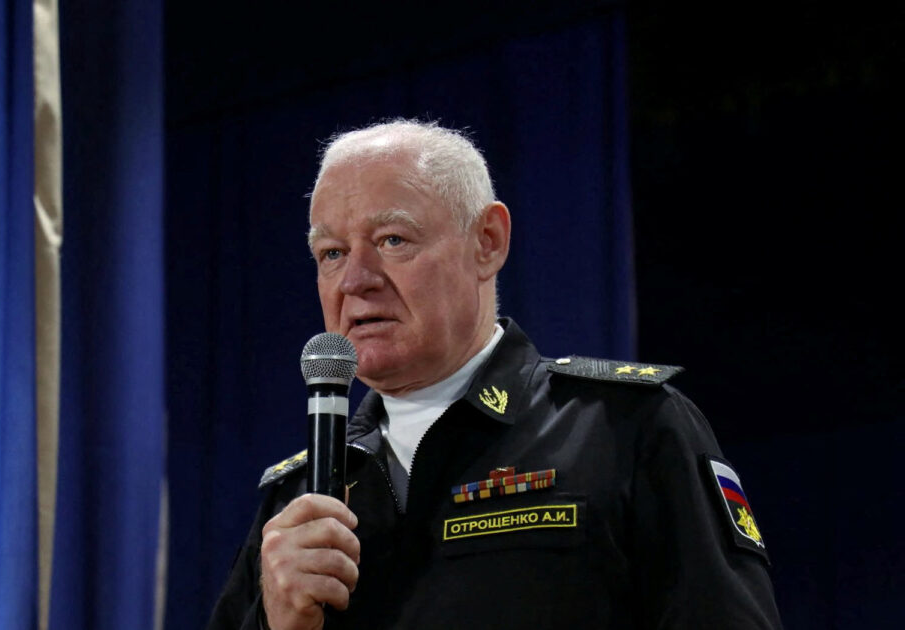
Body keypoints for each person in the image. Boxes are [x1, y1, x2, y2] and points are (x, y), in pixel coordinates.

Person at [207, 120, 782, 629]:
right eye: (332, 253)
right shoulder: (295, 498)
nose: (355, 280)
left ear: (488, 242)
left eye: (392, 240)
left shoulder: (626, 429)